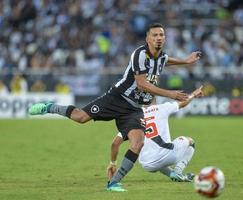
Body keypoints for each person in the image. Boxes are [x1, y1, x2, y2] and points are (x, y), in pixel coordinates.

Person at [28, 23, 201, 192]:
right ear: (147, 38)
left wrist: (186, 61)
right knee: (80, 117)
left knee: (138, 143)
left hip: (133, 109)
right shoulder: (139, 54)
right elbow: (141, 84)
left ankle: (113, 183)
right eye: (154, 35)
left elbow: (166, 61)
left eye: (161, 35)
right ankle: (49, 107)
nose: (158, 38)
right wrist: (170, 94)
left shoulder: (161, 57)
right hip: (117, 98)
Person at [107, 86, 204, 183]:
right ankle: (178, 171)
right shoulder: (161, 108)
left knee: (156, 156)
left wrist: (113, 163)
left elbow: (115, 143)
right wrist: (194, 94)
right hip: (166, 156)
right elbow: (182, 103)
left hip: (147, 164)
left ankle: (172, 174)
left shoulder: (133, 117)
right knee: (190, 142)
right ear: (155, 98)